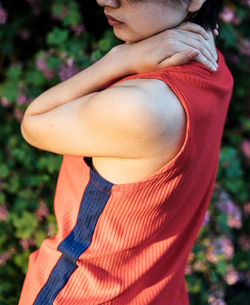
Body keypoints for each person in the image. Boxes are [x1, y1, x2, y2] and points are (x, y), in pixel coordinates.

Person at [18, 0, 233, 304]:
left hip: (81, 293)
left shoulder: (141, 107)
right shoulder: (212, 64)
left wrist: (120, 59)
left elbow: (32, 124)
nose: (105, 0)